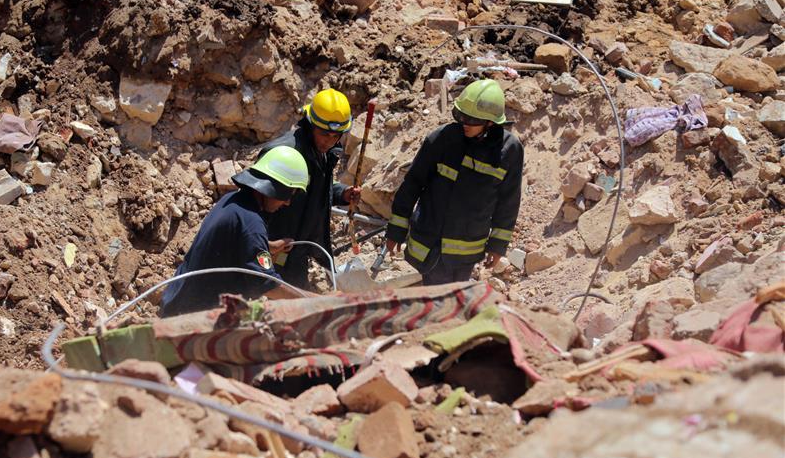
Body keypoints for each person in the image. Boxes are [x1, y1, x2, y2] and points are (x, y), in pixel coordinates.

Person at [384, 79, 524, 285]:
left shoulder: (509, 151)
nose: (464, 123)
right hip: (430, 245)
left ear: (490, 122)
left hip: (466, 252)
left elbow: (508, 202)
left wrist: (497, 245)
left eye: (471, 119)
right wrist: (396, 229)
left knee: (452, 298)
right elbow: (412, 184)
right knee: (434, 298)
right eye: (461, 116)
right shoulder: (442, 140)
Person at [159, 146, 310, 317]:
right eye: (288, 195)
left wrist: (270, 246)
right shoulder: (252, 223)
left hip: (176, 301)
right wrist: (316, 301)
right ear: (274, 188)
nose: (288, 203)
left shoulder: (233, 200)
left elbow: (239, 242)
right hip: (192, 318)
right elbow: (268, 284)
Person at [259, 88, 361, 289]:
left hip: (298, 247)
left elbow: (317, 189)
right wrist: (264, 244)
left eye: (335, 135)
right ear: (311, 124)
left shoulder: (322, 152)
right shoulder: (285, 153)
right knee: (267, 295)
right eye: (324, 134)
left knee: (297, 295)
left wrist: (342, 193)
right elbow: (256, 201)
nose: (329, 141)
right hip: (275, 247)